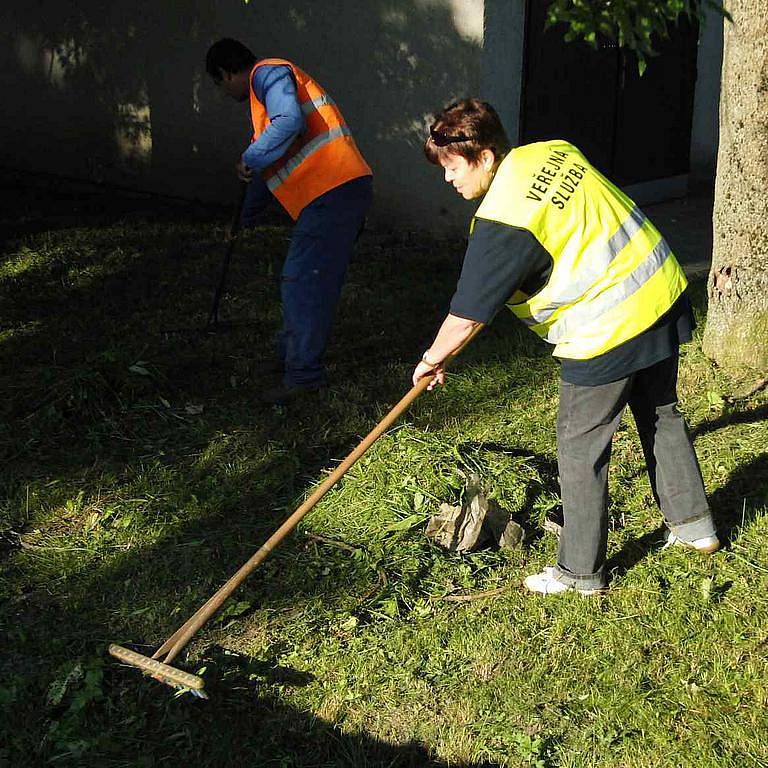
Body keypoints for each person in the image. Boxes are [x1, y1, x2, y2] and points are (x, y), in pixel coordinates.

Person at [412, 98, 720, 596]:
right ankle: (694, 527)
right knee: (660, 410)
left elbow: (467, 314)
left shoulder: (503, 221)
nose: (448, 179)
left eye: (453, 167)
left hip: (608, 327)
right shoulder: (550, 152)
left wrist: (431, 361)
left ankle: (580, 571)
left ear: (486, 156)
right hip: (659, 290)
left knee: (580, 447)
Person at [205, 38, 373, 404]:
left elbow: (289, 123)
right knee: (305, 280)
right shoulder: (262, 110)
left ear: (226, 73)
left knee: (303, 281)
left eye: (219, 84)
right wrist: (242, 219)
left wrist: (250, 155)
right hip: (333, 194)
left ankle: (303, 376)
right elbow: (269, 170)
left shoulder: (268, 74)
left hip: (334, 191)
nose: (222, 92)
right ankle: (290, 358)